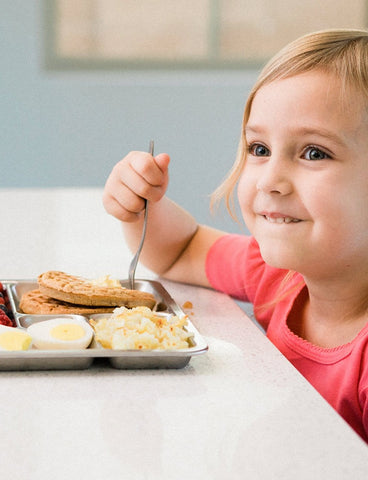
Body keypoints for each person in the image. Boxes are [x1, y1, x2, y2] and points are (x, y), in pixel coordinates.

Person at [102, 29, 368, 443]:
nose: (270, 181)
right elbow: (180, 250)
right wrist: (142, 205)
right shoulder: (278, 277)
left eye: (314, 153)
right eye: (259, 149)